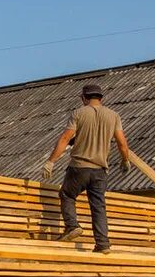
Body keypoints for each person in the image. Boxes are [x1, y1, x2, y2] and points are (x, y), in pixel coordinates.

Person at [42, 83, 130, 252]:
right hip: (100, 170)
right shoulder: (113, 116)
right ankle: (103, 244)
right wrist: (125, 160)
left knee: (67, 194)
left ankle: (72, 226)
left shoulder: (78, 113)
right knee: (98, 206)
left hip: (79, 167)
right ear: (101, 98)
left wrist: (51, 161)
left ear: (83, 98)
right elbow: (122, 143)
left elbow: (65, 139)